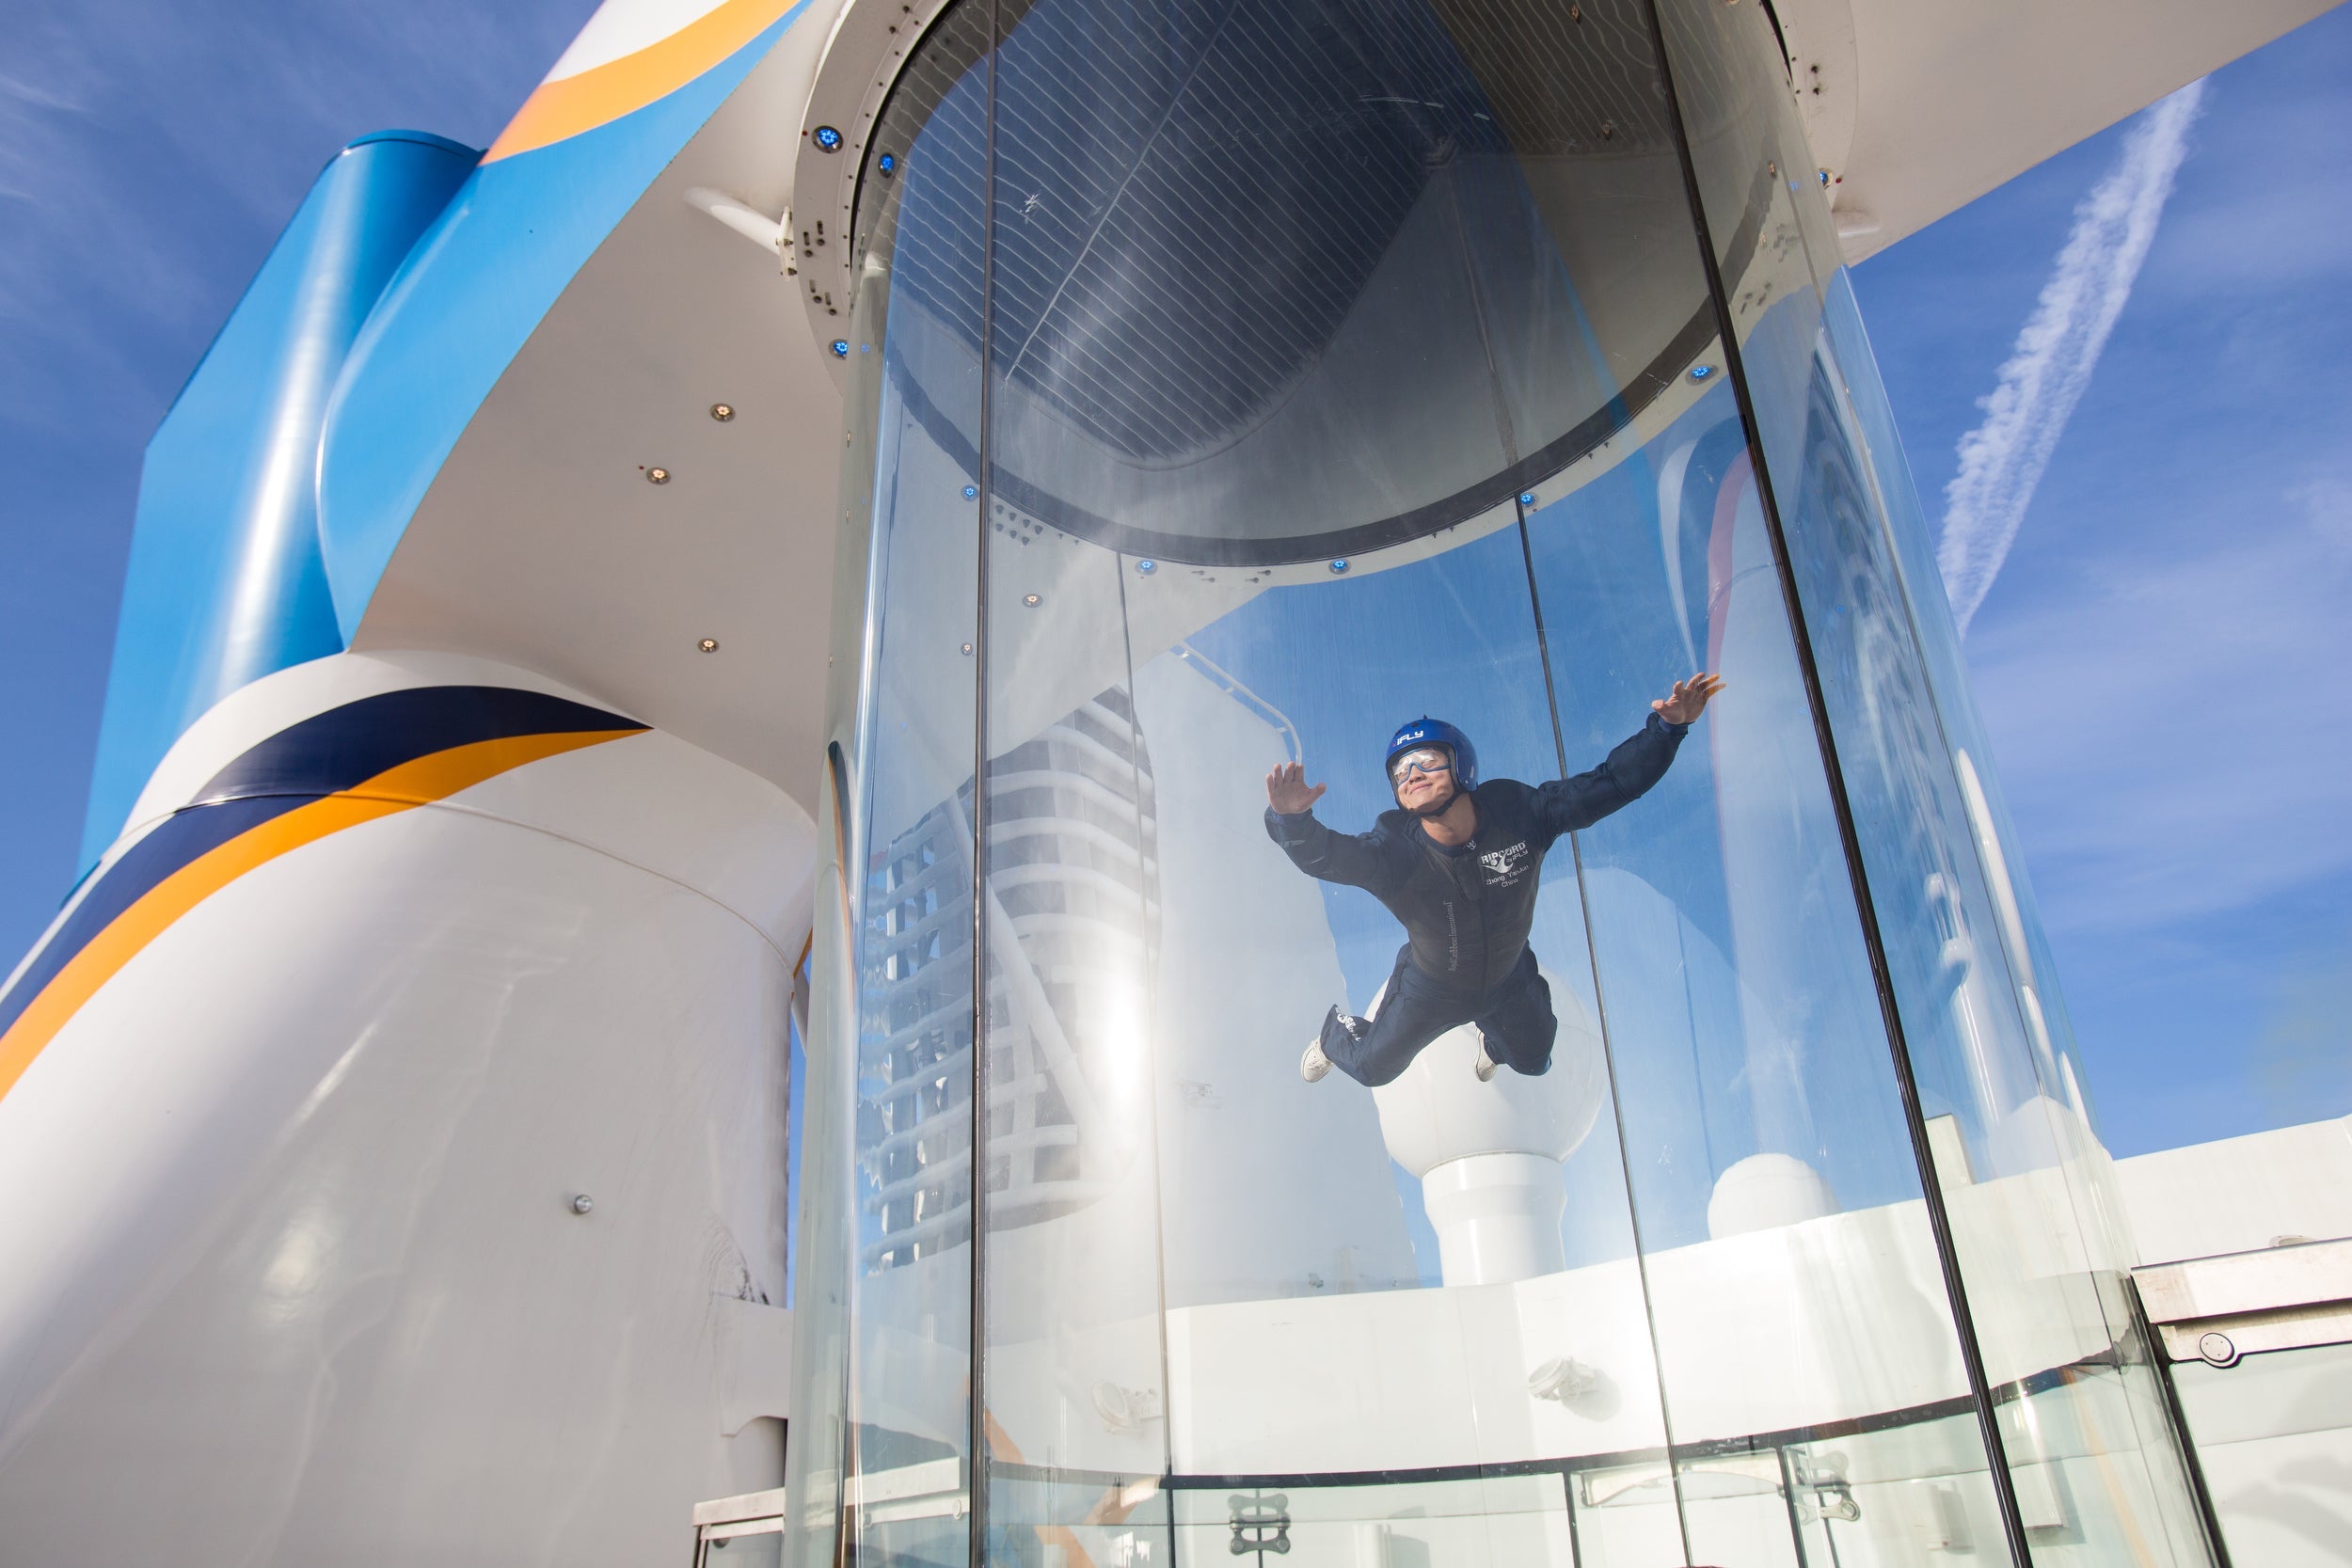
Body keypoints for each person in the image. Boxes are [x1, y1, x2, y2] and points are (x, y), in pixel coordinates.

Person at [1263, 675, 1724, 1088]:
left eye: (1425, 760)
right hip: (1430, 990)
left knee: (1534, 1061)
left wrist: (1667, 730)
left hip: (1508, 976)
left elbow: (1611, 784)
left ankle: (1494, 1039)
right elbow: (1326, 858)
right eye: (1400, 772)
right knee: (1370, 1069)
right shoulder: (1394, 854)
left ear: (1460, 765)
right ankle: (1332, 1035)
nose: (1413, 776)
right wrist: (1291, 821)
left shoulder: (1522, 815)